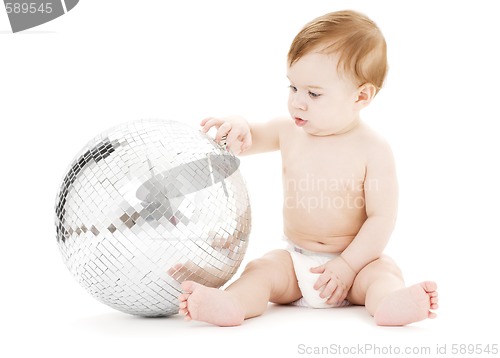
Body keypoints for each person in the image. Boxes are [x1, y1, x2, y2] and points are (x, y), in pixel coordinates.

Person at [176, 9, 438, 326]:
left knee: (384, 273)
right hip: (297, 262)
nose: (298, 102)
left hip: (356, 266)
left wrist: (347, 266)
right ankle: (233, 303)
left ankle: (388, 303)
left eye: (313, 93)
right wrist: (239, 127)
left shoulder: (373, 150)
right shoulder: (289, 131)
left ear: (361, 96)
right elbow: (253, 137)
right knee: (262, 270)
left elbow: (381, 218)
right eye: (293, 87)